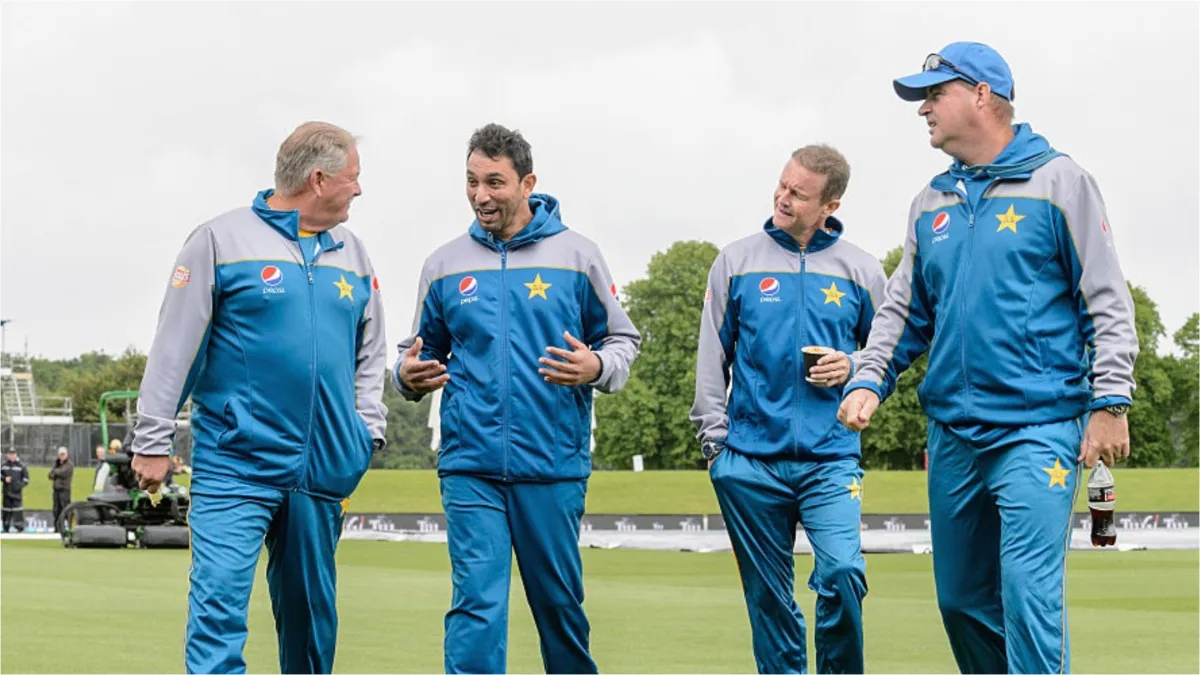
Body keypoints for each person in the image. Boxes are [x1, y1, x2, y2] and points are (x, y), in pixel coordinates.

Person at [837, 42, 1138, 674]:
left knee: (1028, 596)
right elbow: (903, 311)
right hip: (953, 435)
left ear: (981, 94)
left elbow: (1106, 298)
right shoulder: (930, 202)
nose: (923, 109)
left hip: (1038, 428)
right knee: (962, 603)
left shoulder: (1062, 182)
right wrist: (869, 377)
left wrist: (1110, 401)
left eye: (934, 94)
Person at [130, 121, 388, 674]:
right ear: (319, 179)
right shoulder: (218, 241)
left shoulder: (354, 252)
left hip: (322, 470)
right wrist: (152, 439)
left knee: (310, 619)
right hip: (236, 465)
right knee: (218, 604)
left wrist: (366, 431)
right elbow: (175, 347)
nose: (359, 188)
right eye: (353, 177)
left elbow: (371, 352)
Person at [394, 122, 641, 674]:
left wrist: (598, 366)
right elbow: (417, 353)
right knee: (476, 607)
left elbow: (622, 340)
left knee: (559, 609)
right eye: (472, 181)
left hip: (552, 465)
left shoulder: (577, 255)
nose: (481, 195)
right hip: (470, 466)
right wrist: (405, 376)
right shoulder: (443, 264)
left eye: (495, 182)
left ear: (528, 183)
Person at [690, 145, 886, 674]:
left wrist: (853, 364)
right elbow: (712, 356)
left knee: (843, 573)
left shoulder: (862, 269)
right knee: (770, 602)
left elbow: (890, 352)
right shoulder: (735, 262)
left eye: (799, 193)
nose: (782, 197)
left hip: (831, 460)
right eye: (782, 184)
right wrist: (715, 446)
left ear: (830, 206)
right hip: (749, 463)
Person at [2, 448, 31, 532]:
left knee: (17, 511)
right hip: (6, 492)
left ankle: (19, 527)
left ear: (16, 455)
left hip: (17, 493)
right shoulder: (3, 465)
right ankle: (6, 527)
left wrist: (18, 486)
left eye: (13, 454)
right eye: (10, 454)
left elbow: (26, 479)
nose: (11, 456)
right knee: (6, 511)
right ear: (7, 455)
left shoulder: (21, 466)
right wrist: (4, 479)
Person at [48, 446, 74, 531]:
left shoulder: (69, 464)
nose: (62, 456)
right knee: (56, 510)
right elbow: (50, 475)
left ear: (66, 454)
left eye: (63, 454)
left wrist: (55, 472)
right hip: (56, 490)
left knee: (65, 509)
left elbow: (62, 472)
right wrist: (55, 472)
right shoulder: (57, 463)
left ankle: (68, 527)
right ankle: (57, 527)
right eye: (60, 454)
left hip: (64, 490)